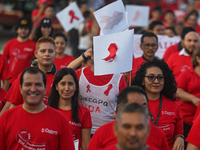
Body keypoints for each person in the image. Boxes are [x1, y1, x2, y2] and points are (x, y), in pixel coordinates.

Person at [0, 67, 75, 150]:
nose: (33, 89)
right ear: (20, 89)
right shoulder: (6, 118)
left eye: (38, 85)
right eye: (28, 84)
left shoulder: (60, 119)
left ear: (45, 89)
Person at [87, 86, 169, 150]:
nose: (133, 133)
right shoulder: (102, 132)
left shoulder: (159, 134)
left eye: (143, 106)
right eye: (133, 106)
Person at [67, 48, 127, 135]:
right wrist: (83, 56)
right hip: (81, 130)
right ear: (91, 55)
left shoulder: (118, 78)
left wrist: (118, 111)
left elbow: (125, 104)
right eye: (99, 54)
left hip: (107, 131)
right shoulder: (80, 73)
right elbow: (64, 73)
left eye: (106, 54)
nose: (103, 58)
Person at [132, 57, 184, 150]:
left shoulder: (173, 104)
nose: (156, 81)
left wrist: (180, 138)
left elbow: (178, 133)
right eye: (151, 77)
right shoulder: (132, 103)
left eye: (160, 78)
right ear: (142, 80)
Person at [0, 36, 57, 116]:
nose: (47, 54)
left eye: (50, 51)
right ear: (36, 54)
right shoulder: (24, 76)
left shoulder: (60, 78)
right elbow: (13, 105)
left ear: (56, 54)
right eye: (43, 51)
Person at [48, 68, 92, 150]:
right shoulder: (47, 111)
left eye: (71, 84)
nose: (67, 88)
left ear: (76, 87)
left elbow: (86, 146)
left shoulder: (84, 112)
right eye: (63, 84)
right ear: (56, 86)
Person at [176, 47, 200, 148]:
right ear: (198, 59)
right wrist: (193, 98)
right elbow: (177, 91)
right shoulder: (187, 73)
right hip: (186, 120)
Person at [3, 17, 36, 86]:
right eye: (21, 28)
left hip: (26, 81)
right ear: (17, 30)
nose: (23, 31)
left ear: (29, 30)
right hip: (10, 81)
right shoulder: (10, 43)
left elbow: (36, 63)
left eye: (26, 29)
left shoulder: (34, 45)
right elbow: (3, 62)